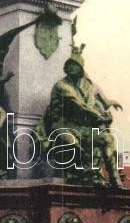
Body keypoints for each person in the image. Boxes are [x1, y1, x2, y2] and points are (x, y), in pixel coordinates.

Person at [37, 46, 123, 188]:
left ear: (81, 68)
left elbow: (102, 99)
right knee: (71, 143)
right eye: (68, 65)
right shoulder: (62, 86)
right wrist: (99, 116)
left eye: (74, 65)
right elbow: (79, 105)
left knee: (107, 139)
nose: (71, 67)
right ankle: (78, 176)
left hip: (82, 127)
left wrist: (109, 104)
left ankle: (115, 179)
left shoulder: (88, 85)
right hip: (62, 125)